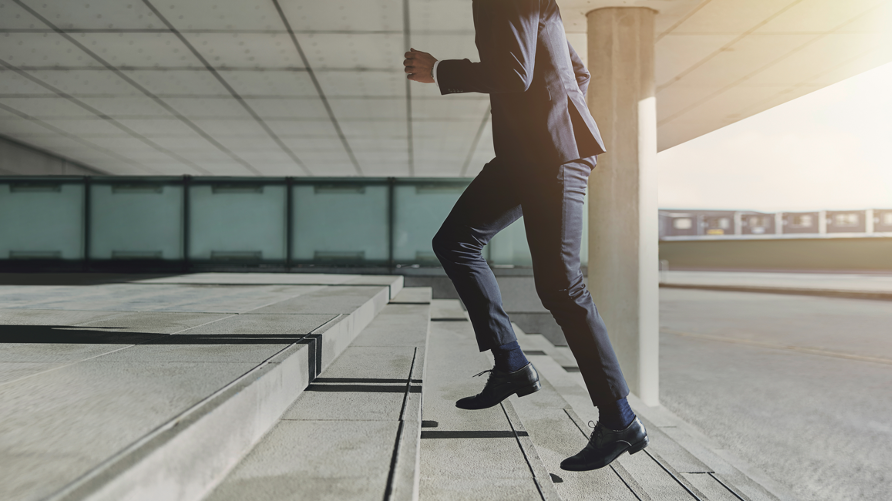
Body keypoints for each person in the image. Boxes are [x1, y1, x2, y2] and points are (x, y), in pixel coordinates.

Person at [402, 0, 648, 471]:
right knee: (455, 241)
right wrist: (558, 115)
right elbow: (577, 70)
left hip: (553, 156)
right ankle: (511, 363)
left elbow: (514, 73)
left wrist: (440, 71)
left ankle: (620, 421)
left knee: (560, 285)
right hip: (527, 155)